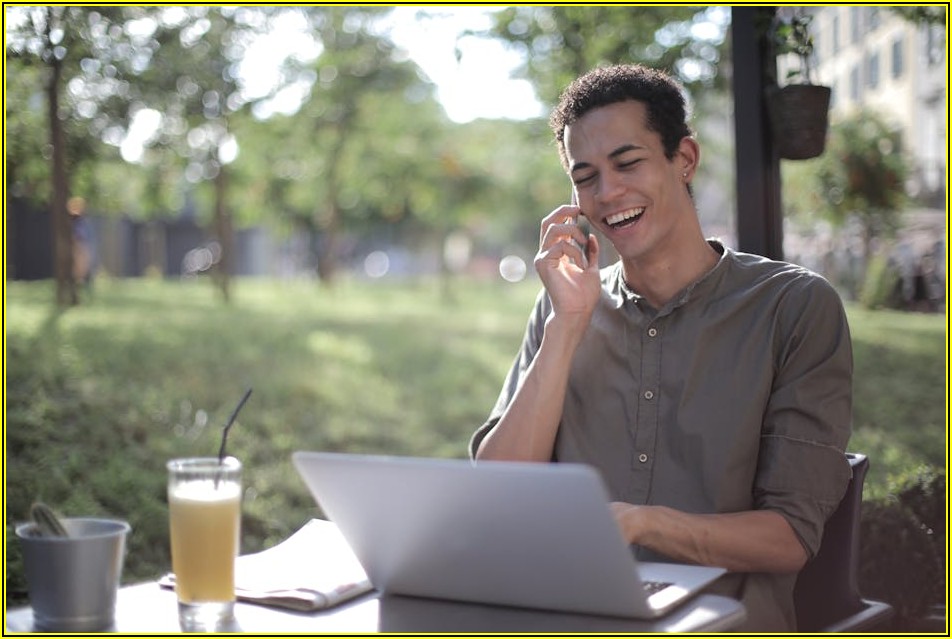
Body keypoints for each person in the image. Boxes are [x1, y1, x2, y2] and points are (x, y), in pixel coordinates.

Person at [469, 64, 853, 632]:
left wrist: (640, 524)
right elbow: (498, 491)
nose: (608, 193)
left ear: (685, 160)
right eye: (585, 176)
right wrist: (568, 324)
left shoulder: (793, 308)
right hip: (567, 612)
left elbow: (789, 537)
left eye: (628, 163)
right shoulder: (565, 307)